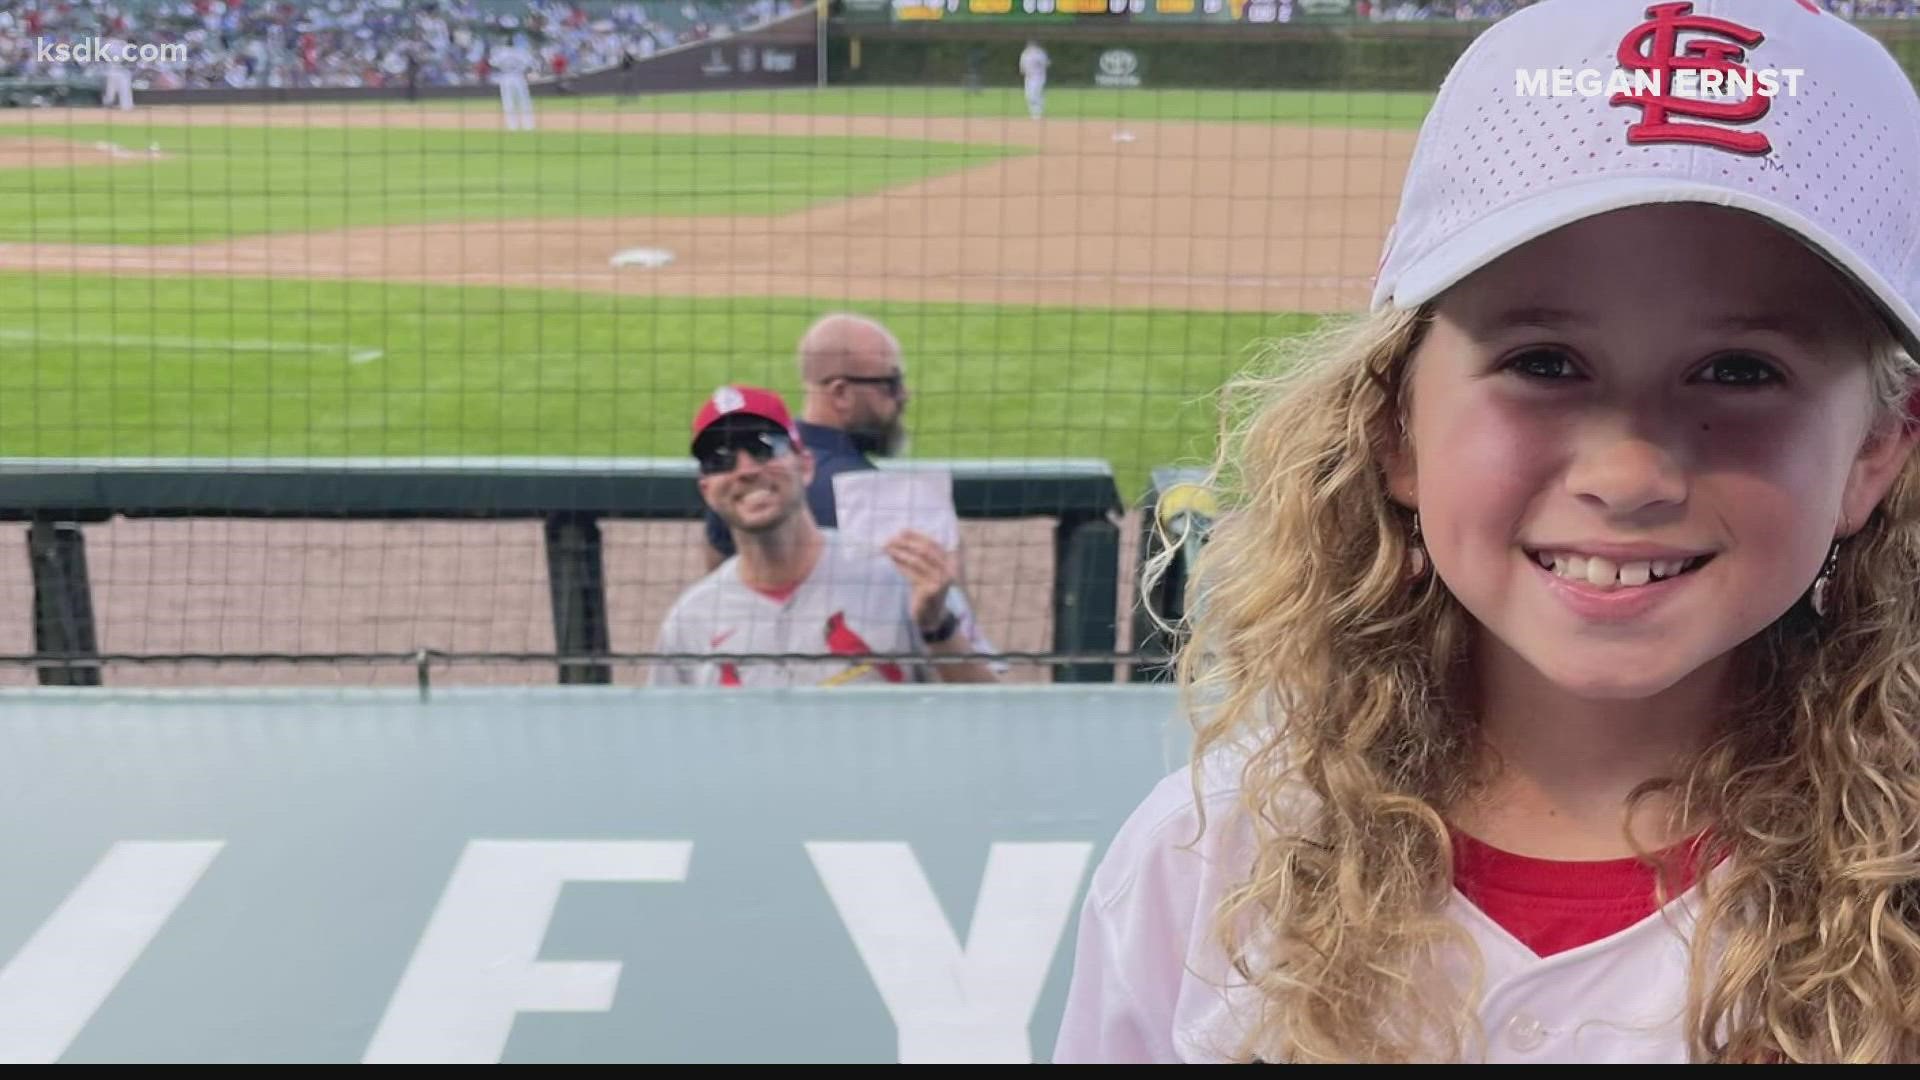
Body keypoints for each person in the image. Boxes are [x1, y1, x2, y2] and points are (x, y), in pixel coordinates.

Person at [1054, 0, 1920, 1064]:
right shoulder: (1210, 857)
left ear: (1876, 451)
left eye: (1741, 371)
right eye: (1544, 362)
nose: (1628, 474)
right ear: (1396, 422)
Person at [700, 313, 1001, 660]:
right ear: (841, 393)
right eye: (890, 383)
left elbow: (719, 582)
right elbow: (958, 649)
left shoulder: (743, 487)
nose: (904, 394)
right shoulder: (893, 500)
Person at [654, 386, 1000, 687]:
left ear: (805, 465)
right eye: (720, 459)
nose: (746, 470)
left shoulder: (900, 579)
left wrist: (936, 627)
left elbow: (991, 718)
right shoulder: (690, 622)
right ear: (706, 489)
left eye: (763, 448)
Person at [489, 34, 536, 132]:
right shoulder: (521, 52)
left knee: (508, 102)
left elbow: (493, 64)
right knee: (524, 101)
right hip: (519, 77)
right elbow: (529, 65)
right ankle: (528, 125)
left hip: (506, 77)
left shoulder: (501, 52)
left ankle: (512, 126)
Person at [1017, 40, 1048, 120]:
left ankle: (1038, 113)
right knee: (1028, 95)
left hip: (1038, 77)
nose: (1031, 47)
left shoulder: (1040, 53)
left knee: (1035, 94)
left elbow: (1046, 63)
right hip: (1028, 77)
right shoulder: (1025, 54)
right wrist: (1023, 71)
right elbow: (1022, 65)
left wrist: (1039, 64)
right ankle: (1033, 113)